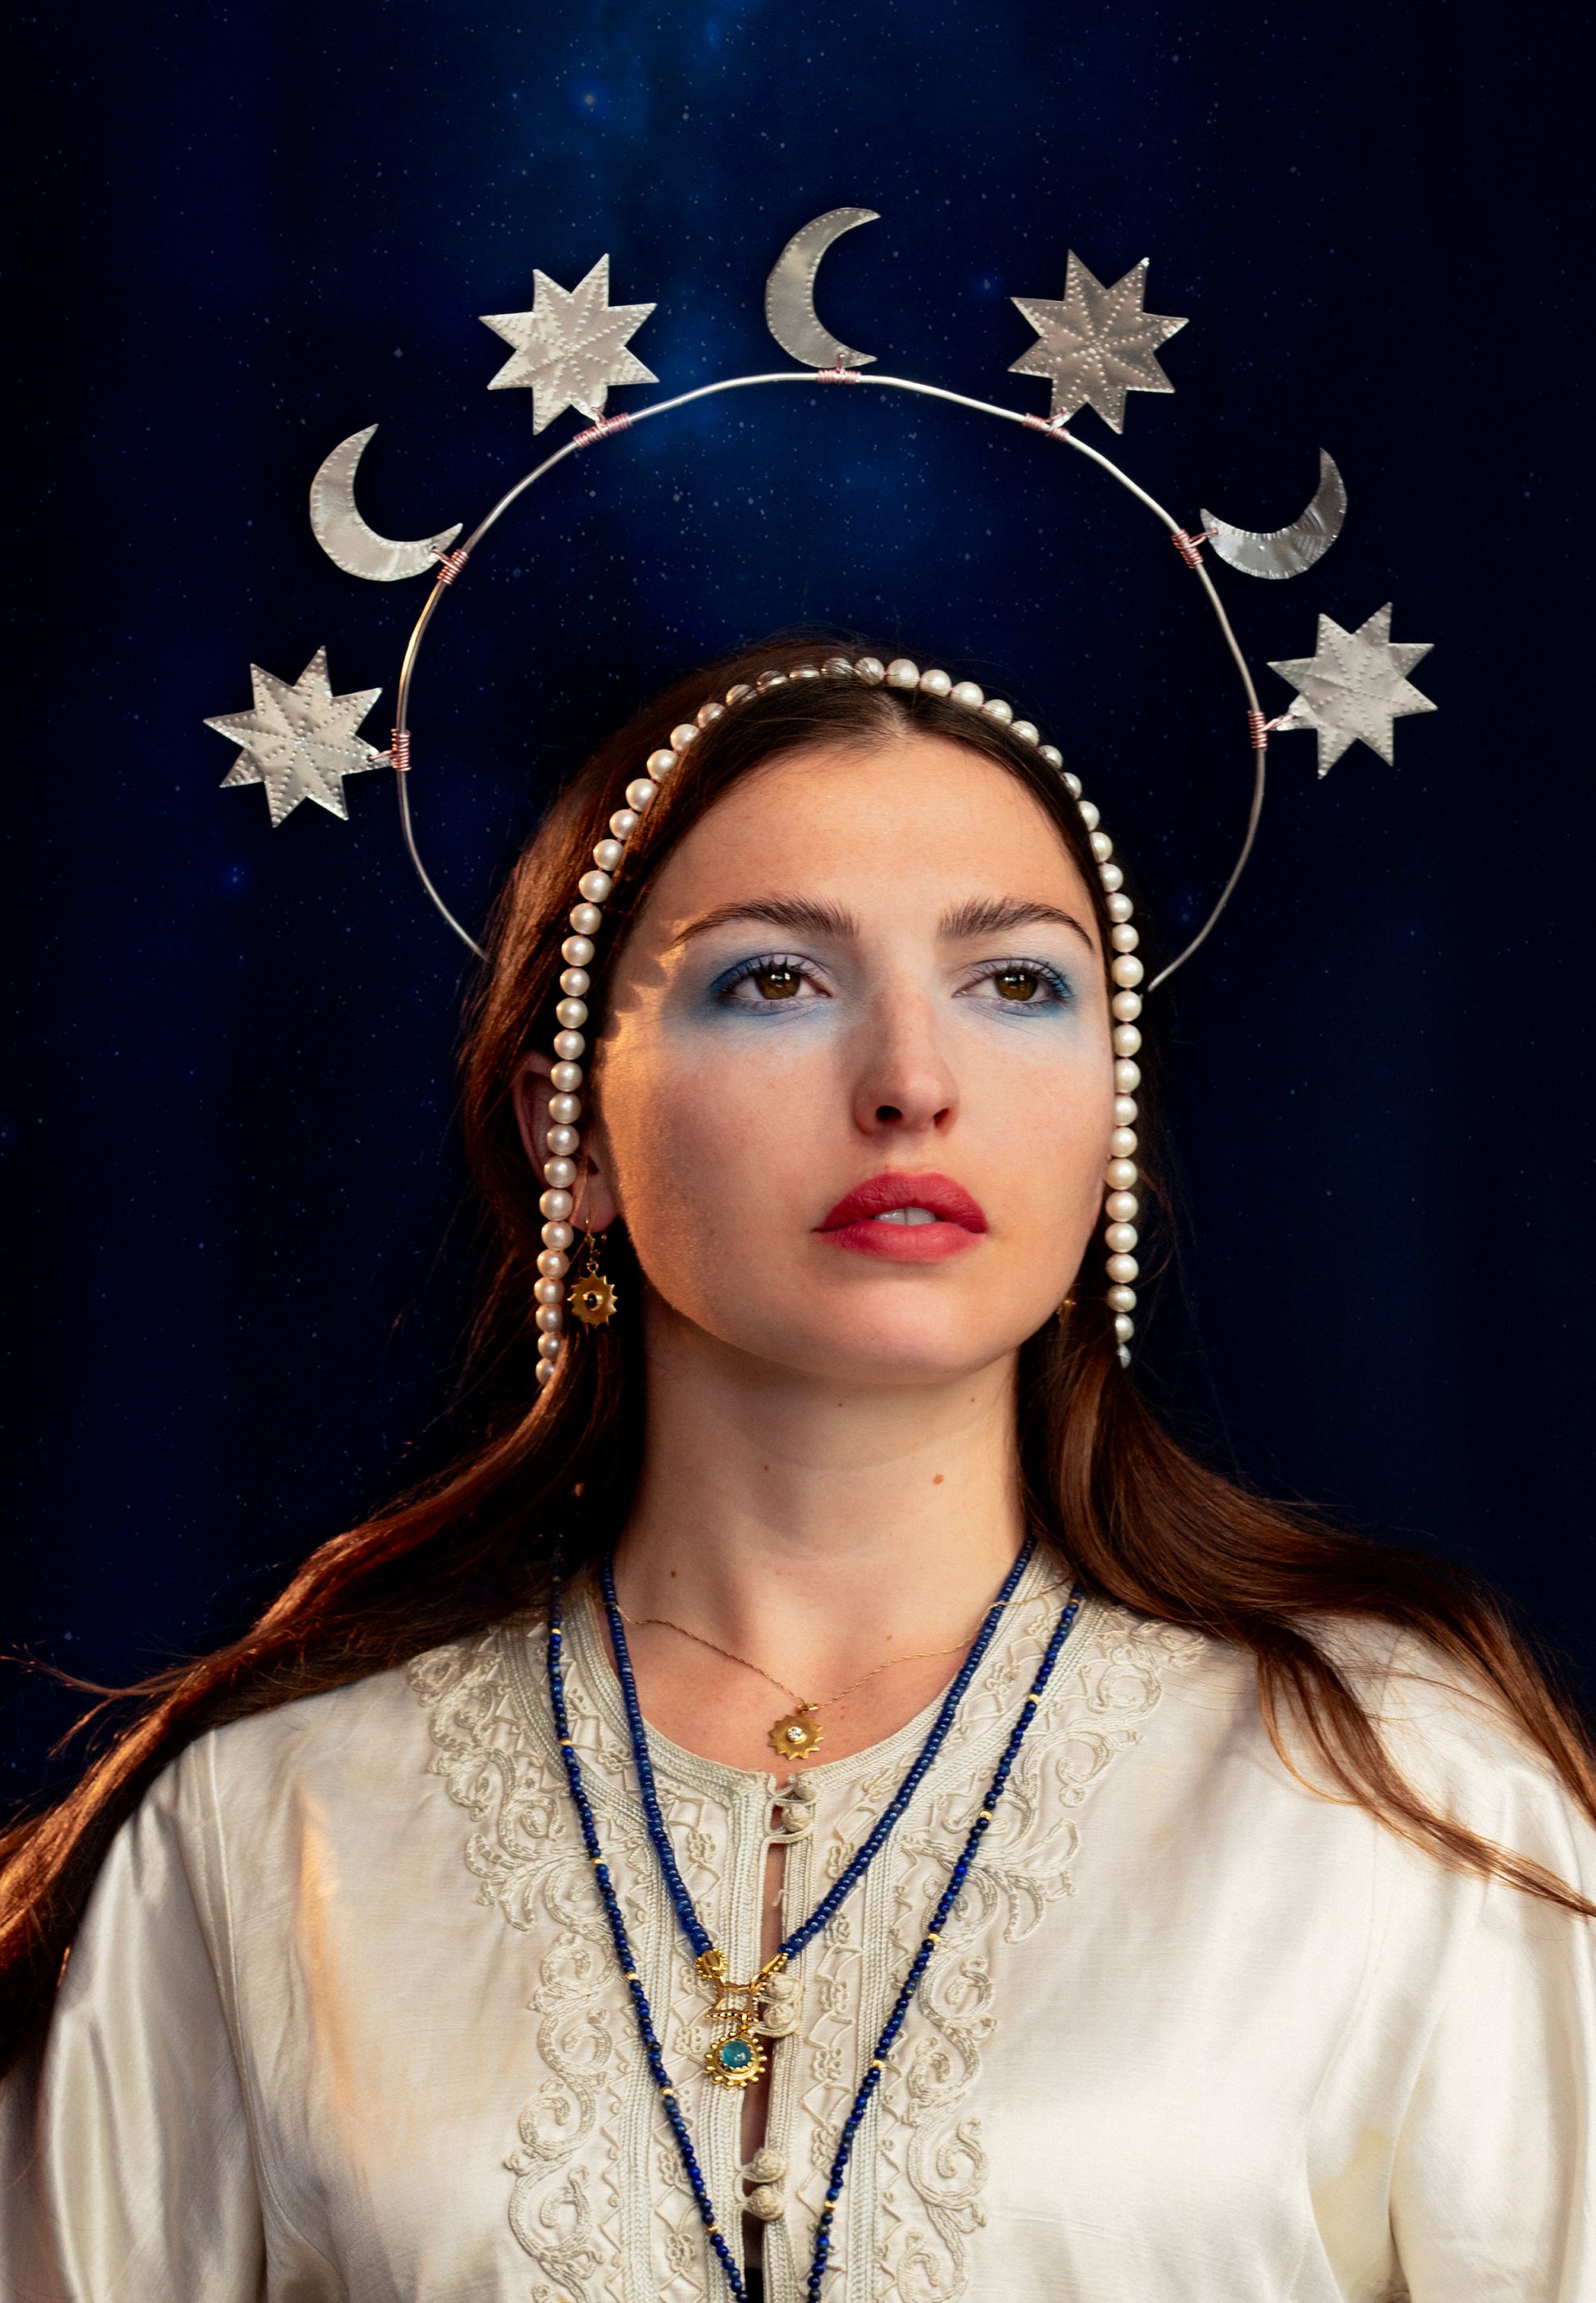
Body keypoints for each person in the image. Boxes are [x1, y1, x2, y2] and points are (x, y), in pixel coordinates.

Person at [2, 637, 1593, 2302]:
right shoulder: (271, 1828)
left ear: (1109, 1111)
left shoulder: (1393, 1792)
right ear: (569, 1136)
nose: (911, 1081)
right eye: (774, 980)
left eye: (1016, 983)